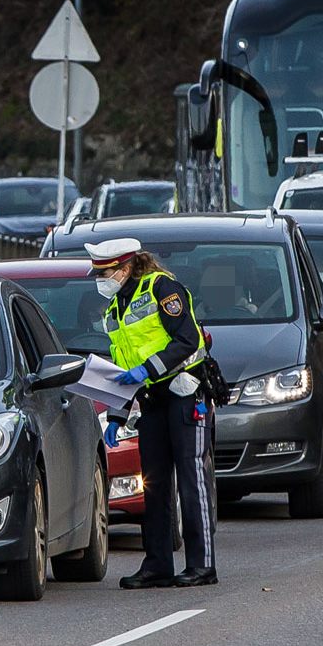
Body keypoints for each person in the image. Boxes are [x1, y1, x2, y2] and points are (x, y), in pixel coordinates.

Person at [88, 237, 217, 589]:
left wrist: (149, 368)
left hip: (185, 393)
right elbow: (121, 368)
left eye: (106, 272)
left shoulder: (162, 288)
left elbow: (188, 340)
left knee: (192, 481)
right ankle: (158, 563)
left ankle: (202, 565)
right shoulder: (114, 310)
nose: (101, 279)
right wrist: (116, 416)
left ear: (126, 268)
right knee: (154, 484)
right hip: (151, 401)